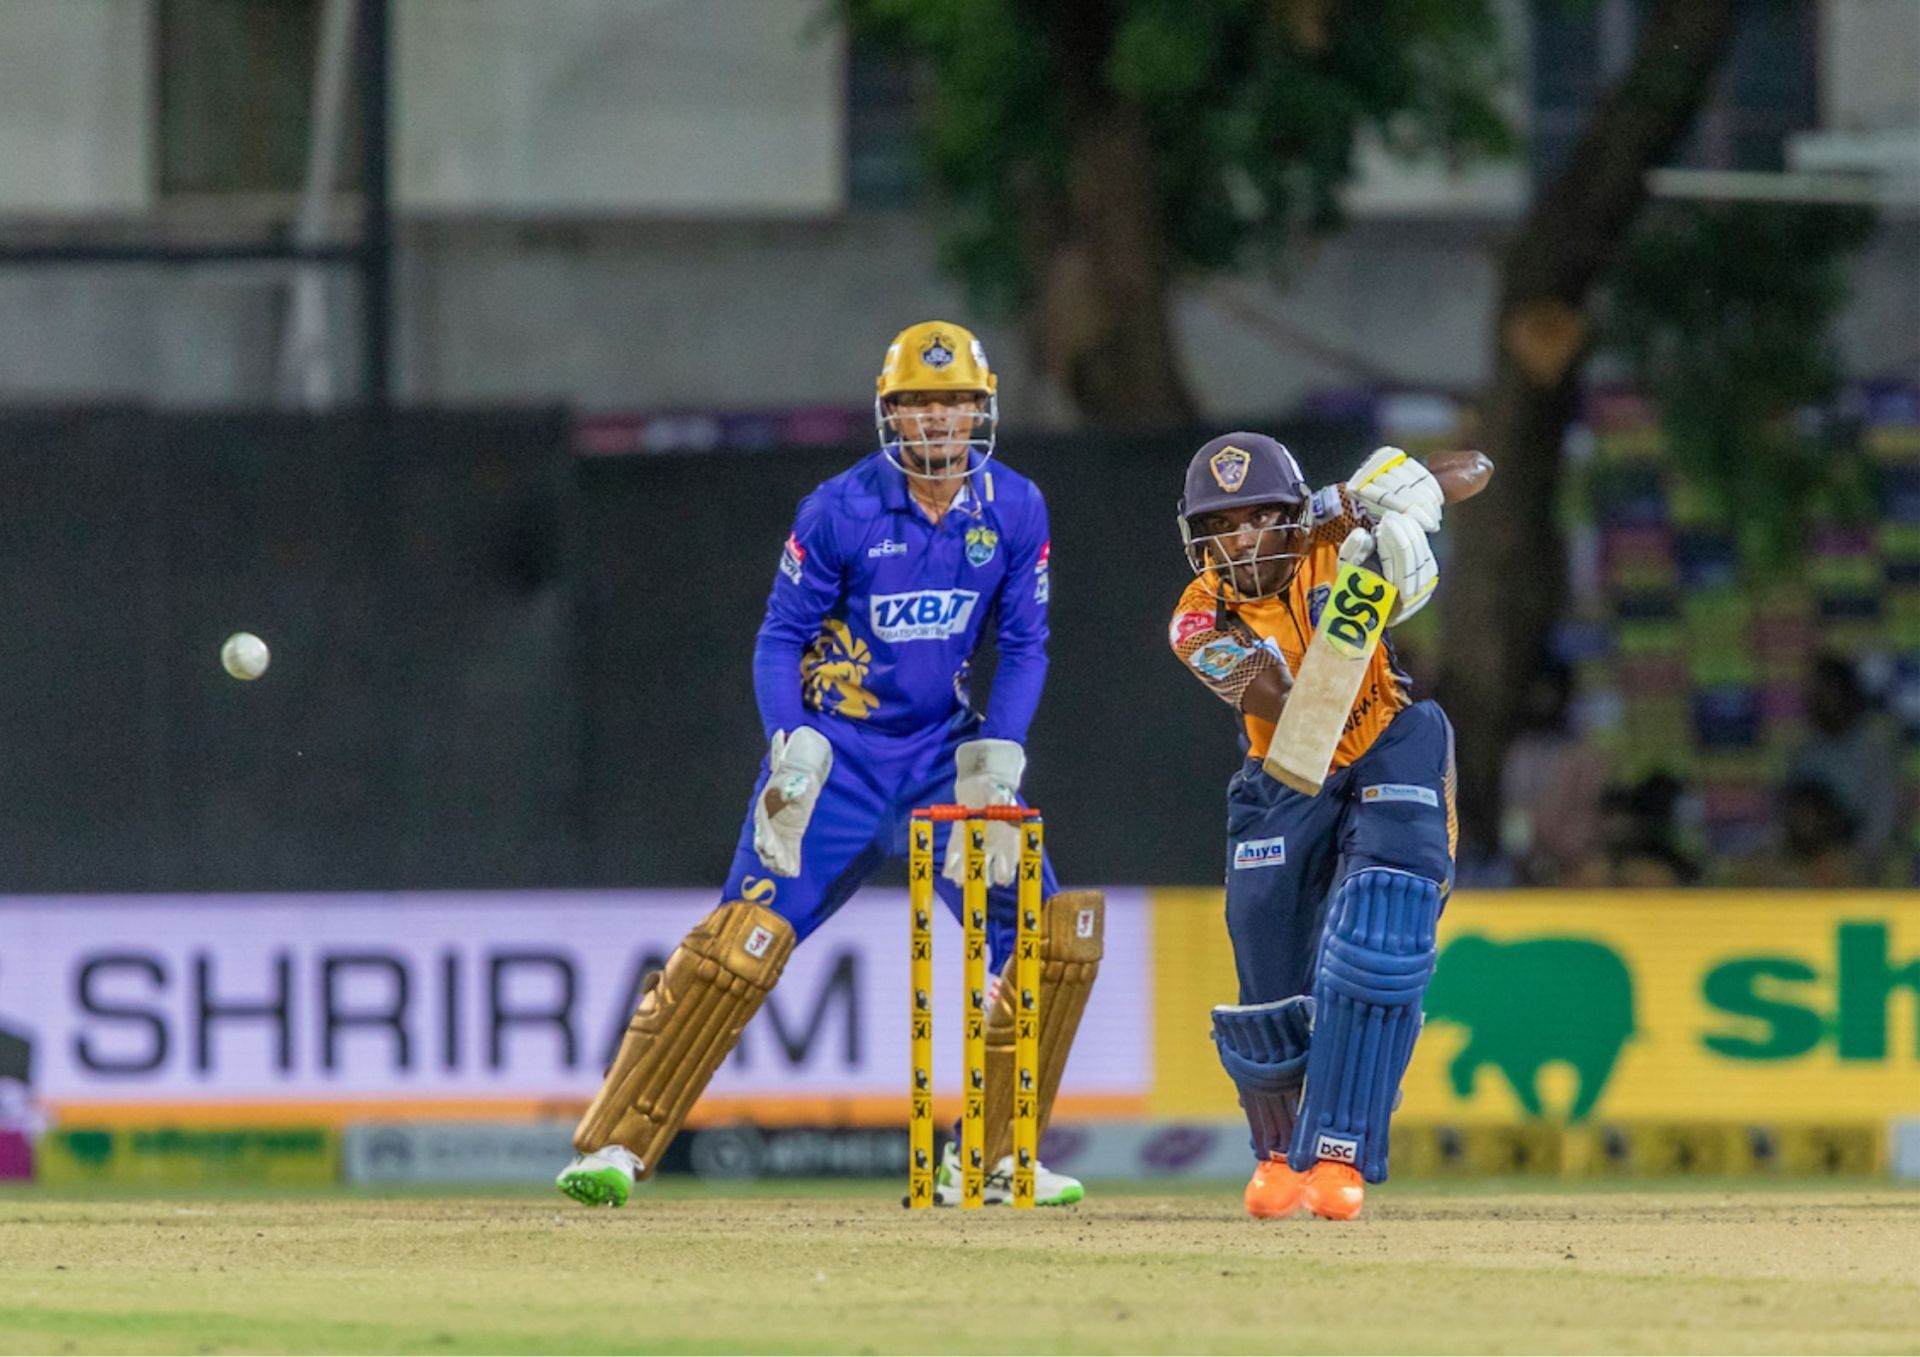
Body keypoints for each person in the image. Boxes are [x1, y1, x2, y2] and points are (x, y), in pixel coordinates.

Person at [557, 321, 1101, 1208]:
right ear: (891, 415)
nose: (935, 424)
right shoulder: (839, 508)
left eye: (953, 404)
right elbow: (781, 637)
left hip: (942, 763)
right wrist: (790, 745)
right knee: (738, 948)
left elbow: (1029, 640)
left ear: (980, 410)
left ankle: (997, 1155)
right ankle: (619, 1145)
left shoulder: (1016, 507)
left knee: (1045, 942)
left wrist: (997, 756)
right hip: (838, 763)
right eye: (917, 406)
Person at [1168, 435, 1484, 1221]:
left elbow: (1474, 470)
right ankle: (1278, 1155)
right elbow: (1291, 704)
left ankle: (1340, 1152)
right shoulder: (1195, 620)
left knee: (1380, 938)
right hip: (1285, 770)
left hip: (1387, 739)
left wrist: (1399, 502)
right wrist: (1360, 596)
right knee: (1269, 983)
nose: (1240, 541)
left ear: (1287, 511)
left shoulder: (1331, 525)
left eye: (1257, 519)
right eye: (1221, 525)